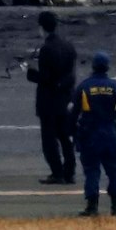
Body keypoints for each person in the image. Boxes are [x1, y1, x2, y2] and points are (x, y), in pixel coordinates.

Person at [69, 52, 116, 217]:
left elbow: (74, 114)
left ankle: (92, 206)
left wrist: (72, 133)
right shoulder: (115, 87)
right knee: (114, 171)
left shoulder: (84, 87)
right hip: (110, 134)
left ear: (93, 66)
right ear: (107, 67)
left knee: (92, 171)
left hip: (90, 134)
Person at [24, 10, 79, 185]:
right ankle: (69, 171)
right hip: (66, 98)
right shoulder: (68, 46)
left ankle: (57, 172)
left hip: (49, 101)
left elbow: (46, 78)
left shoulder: (47, 49)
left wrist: (30, 73)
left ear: (42, 27)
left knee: (49, 140)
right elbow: (69, 75)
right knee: (65, 137)